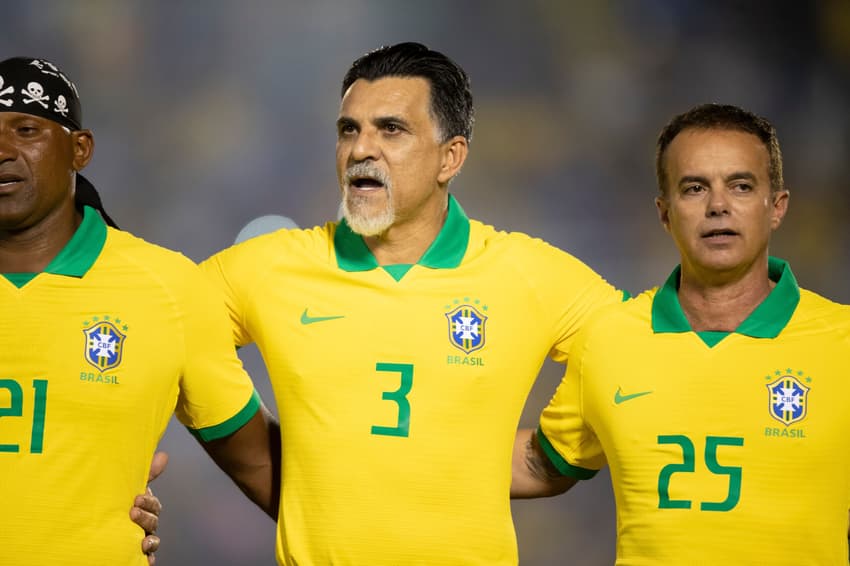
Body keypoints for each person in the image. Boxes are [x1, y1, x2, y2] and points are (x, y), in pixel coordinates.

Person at [185, 42, 625, 564]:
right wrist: (254, 461)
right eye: (349, 129)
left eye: (390, 129)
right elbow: (158, 321)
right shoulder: (271, 267)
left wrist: (555, 455)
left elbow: (639, 349)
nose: (361, 149)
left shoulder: (529, 274)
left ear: (450, 157)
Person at [512, 103, 850, 563]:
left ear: (777, 207)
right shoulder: (610, 337)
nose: (718, 206)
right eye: (694, 188)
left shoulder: (841, 341)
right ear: (665, 213)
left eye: (741, 186)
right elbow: (542, 464)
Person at [0, 56, 279, 566]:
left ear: (79, 149)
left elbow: (264, 468)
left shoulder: (166, 287)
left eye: (26, 129)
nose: (1, 150)